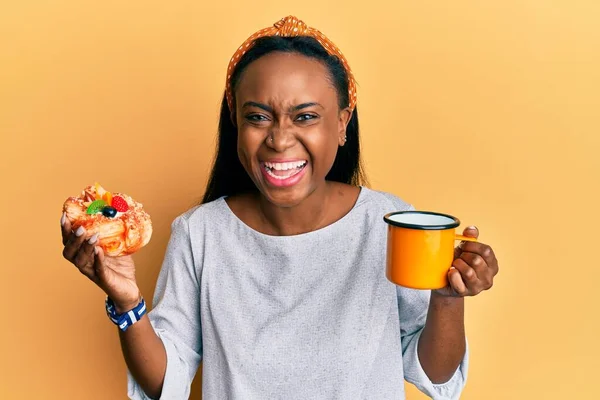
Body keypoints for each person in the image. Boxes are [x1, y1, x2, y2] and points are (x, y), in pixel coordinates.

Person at [60, 15, 499, 400]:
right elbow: (166, 381)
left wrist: (446, 299)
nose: (279, 138)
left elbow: (435, 374)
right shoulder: (200, 233)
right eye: (258, 117)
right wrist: (126, 303)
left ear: (342, 123)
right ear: (235, 118)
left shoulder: (386, 222)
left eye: (305, 116)